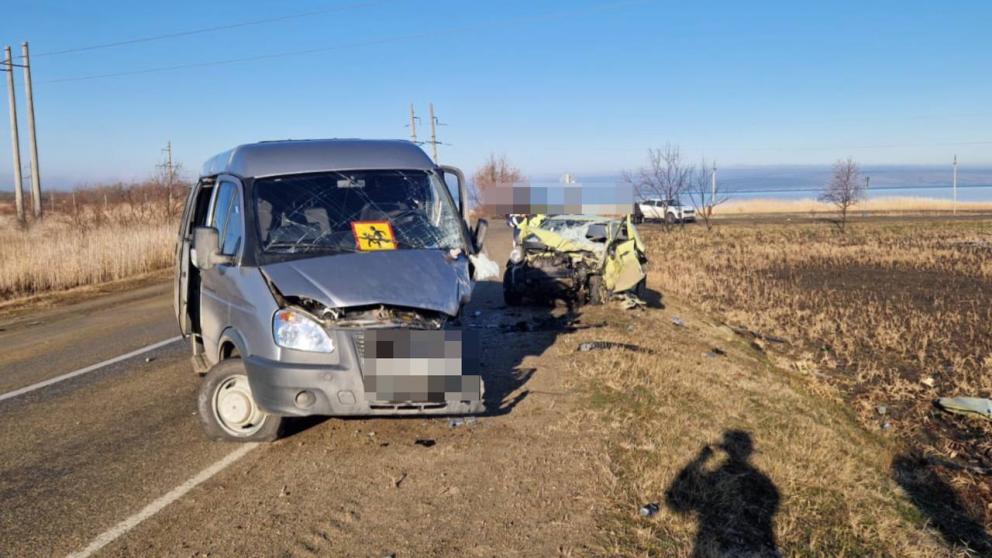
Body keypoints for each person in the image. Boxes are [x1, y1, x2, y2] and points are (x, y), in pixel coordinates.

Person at [666, 430, 780, 557]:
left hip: (718, 550)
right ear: (749, 453)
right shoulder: (764, 485)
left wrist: (699, 461)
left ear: (725, 451)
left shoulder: (711, 481)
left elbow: (675, 500)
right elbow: (773, 503)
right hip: (758, 551)